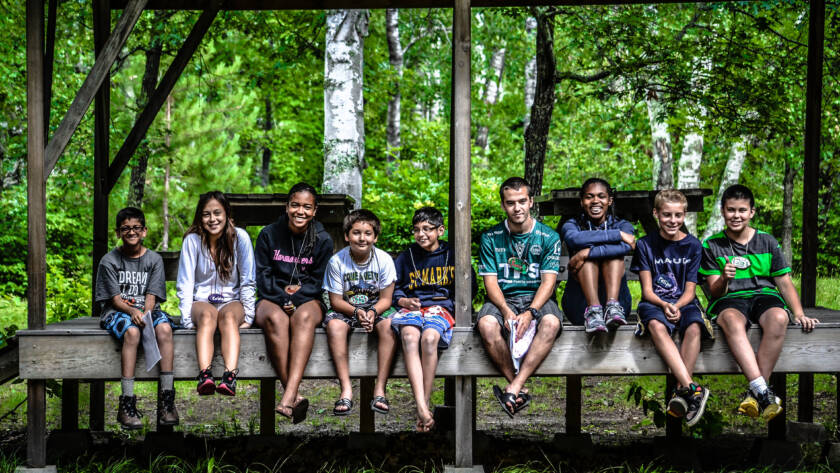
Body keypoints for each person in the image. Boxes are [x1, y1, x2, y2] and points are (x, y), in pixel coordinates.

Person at [700, 184, 818, 421]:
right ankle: (763, 391)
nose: (736, 215)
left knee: (779, 317)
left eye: (742, 210)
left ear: (752, 212)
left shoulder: (767, 241)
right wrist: (724, 278)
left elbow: (783, 281)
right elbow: (714, 292)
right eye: (731, 210)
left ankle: (756, 392)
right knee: (731, 320)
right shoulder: (711, 245)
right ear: (722, 211)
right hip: (730, 298)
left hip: (764, 295)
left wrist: (798, 313)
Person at [476, 177, 563, 417]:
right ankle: (517, 386)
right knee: (486, 324)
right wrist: (505, 310)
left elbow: (548, 282)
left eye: (522, 201)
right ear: (503, 205)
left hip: (537, 298)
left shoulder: (548, 237)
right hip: (503, 298)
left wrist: (531, 312)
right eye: (511, 203)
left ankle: (515, 387)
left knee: (551, 322)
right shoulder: (491, 237)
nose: (517, 208)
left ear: (531, 201)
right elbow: (490, 282)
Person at [630, 190, 712, 426]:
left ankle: (682, 392)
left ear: (684, 215)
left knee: (694, 327)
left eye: (678, 215)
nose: (672, 220)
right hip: (655, 302)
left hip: (684, 302)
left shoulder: (693, 245)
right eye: (666, 215)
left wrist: (676, 305)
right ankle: (692, 388)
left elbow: (690, 291)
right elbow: (647, 291)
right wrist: (665, 305)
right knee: (656, 325)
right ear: (656, 214)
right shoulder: (645, 245)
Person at [391, 207, 476, 432]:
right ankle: (422, 406)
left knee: (429, 339)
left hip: (441, 308)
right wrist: (403, 301)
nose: (421, 234)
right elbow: (393, 288)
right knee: (409, 336)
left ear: (440, 230)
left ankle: (423, 403)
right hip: (413, 308)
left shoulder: (453, 255)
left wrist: (454, 306)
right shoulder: (406, 257)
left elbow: (469, 286)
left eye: (427, 229)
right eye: (417, 230)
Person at [254, 182, 334, 424]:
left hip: (308, 299)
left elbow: (318, 281)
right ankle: (293, 395)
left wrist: (295, 299)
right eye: (295, 205)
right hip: (271, 297)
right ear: (287, 206)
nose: (300, 211)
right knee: (275, 318)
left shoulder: (322, 239)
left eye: (307, 207)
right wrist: (283, 298)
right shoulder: (268, 234)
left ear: (315, 210)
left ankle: (288, 395)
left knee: (304, 317)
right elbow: (263, 276)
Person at [95, 207, 178, 429]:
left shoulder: (154, 259)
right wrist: (133, 312)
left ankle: (167, 401)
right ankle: (127, 404)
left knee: (164, 330)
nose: (131, 232)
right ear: (118, 233)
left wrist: (145, 315)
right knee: (132, 332)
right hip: (118, 312)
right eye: (125, 228)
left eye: (136, 228)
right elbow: (115, 300)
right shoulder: (109, 261)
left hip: (148, 310)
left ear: (144, 231)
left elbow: (151, 296)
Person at [177, 191, 256, 396]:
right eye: (206, 214)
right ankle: (205, 375)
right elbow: (185, 282)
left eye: (217, 213)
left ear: (227, 214)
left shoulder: (240, 238)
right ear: (200, 217)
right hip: (202, 301)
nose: (212, 219)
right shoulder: (192, 241)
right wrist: (187, 320)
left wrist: (249, 315)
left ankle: (229, 377)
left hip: (232, 301)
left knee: (228, 317)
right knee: (207, 316)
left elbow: (248, 279)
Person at [323, 209, 398, 416]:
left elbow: (386, 299)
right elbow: (335, 301)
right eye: (356, 233)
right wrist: (357, 312)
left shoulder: (384, 260)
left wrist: (372, 311)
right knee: (334, 326)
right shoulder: (336, 262)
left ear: (375, 237)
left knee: (389, 325)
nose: (362, 238)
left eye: (367, 233)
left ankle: (380, 389)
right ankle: (346, 389)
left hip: (377, 307)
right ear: (347, 236)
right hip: (346, 309)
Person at [560, 177, 635, 332]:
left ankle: (612, 306)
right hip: (579, 307)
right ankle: (593, 311)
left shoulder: (623, 225)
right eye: (589, 197)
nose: (595, 201)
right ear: (582, 201)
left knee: (613, 258)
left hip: (619, 310)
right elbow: (575, 239)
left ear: (610, 201)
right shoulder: (572, 225)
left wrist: (586, 252)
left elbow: (627, 246)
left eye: (601, 196)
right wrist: (618, 235)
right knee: (589, 262)